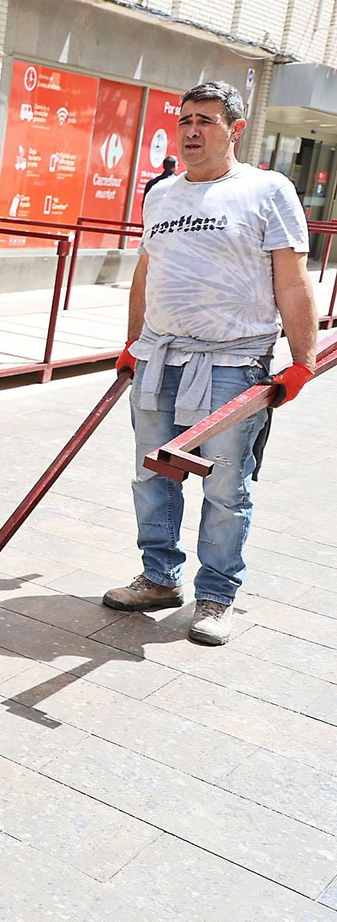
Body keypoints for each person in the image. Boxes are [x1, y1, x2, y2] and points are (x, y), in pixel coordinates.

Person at [104, 81, 317, 646]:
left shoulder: (267, 190)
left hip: (233, 364)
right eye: (185, 120)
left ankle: (217, 595)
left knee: (225, 485)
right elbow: (147, 271)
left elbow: (291, 278)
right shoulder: (161, 194)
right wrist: (133, 342)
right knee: (152, 475)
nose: (192, 131)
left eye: (206, 121)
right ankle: (159, 577)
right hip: (159, 358)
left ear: (235, 129)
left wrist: (303, 361)